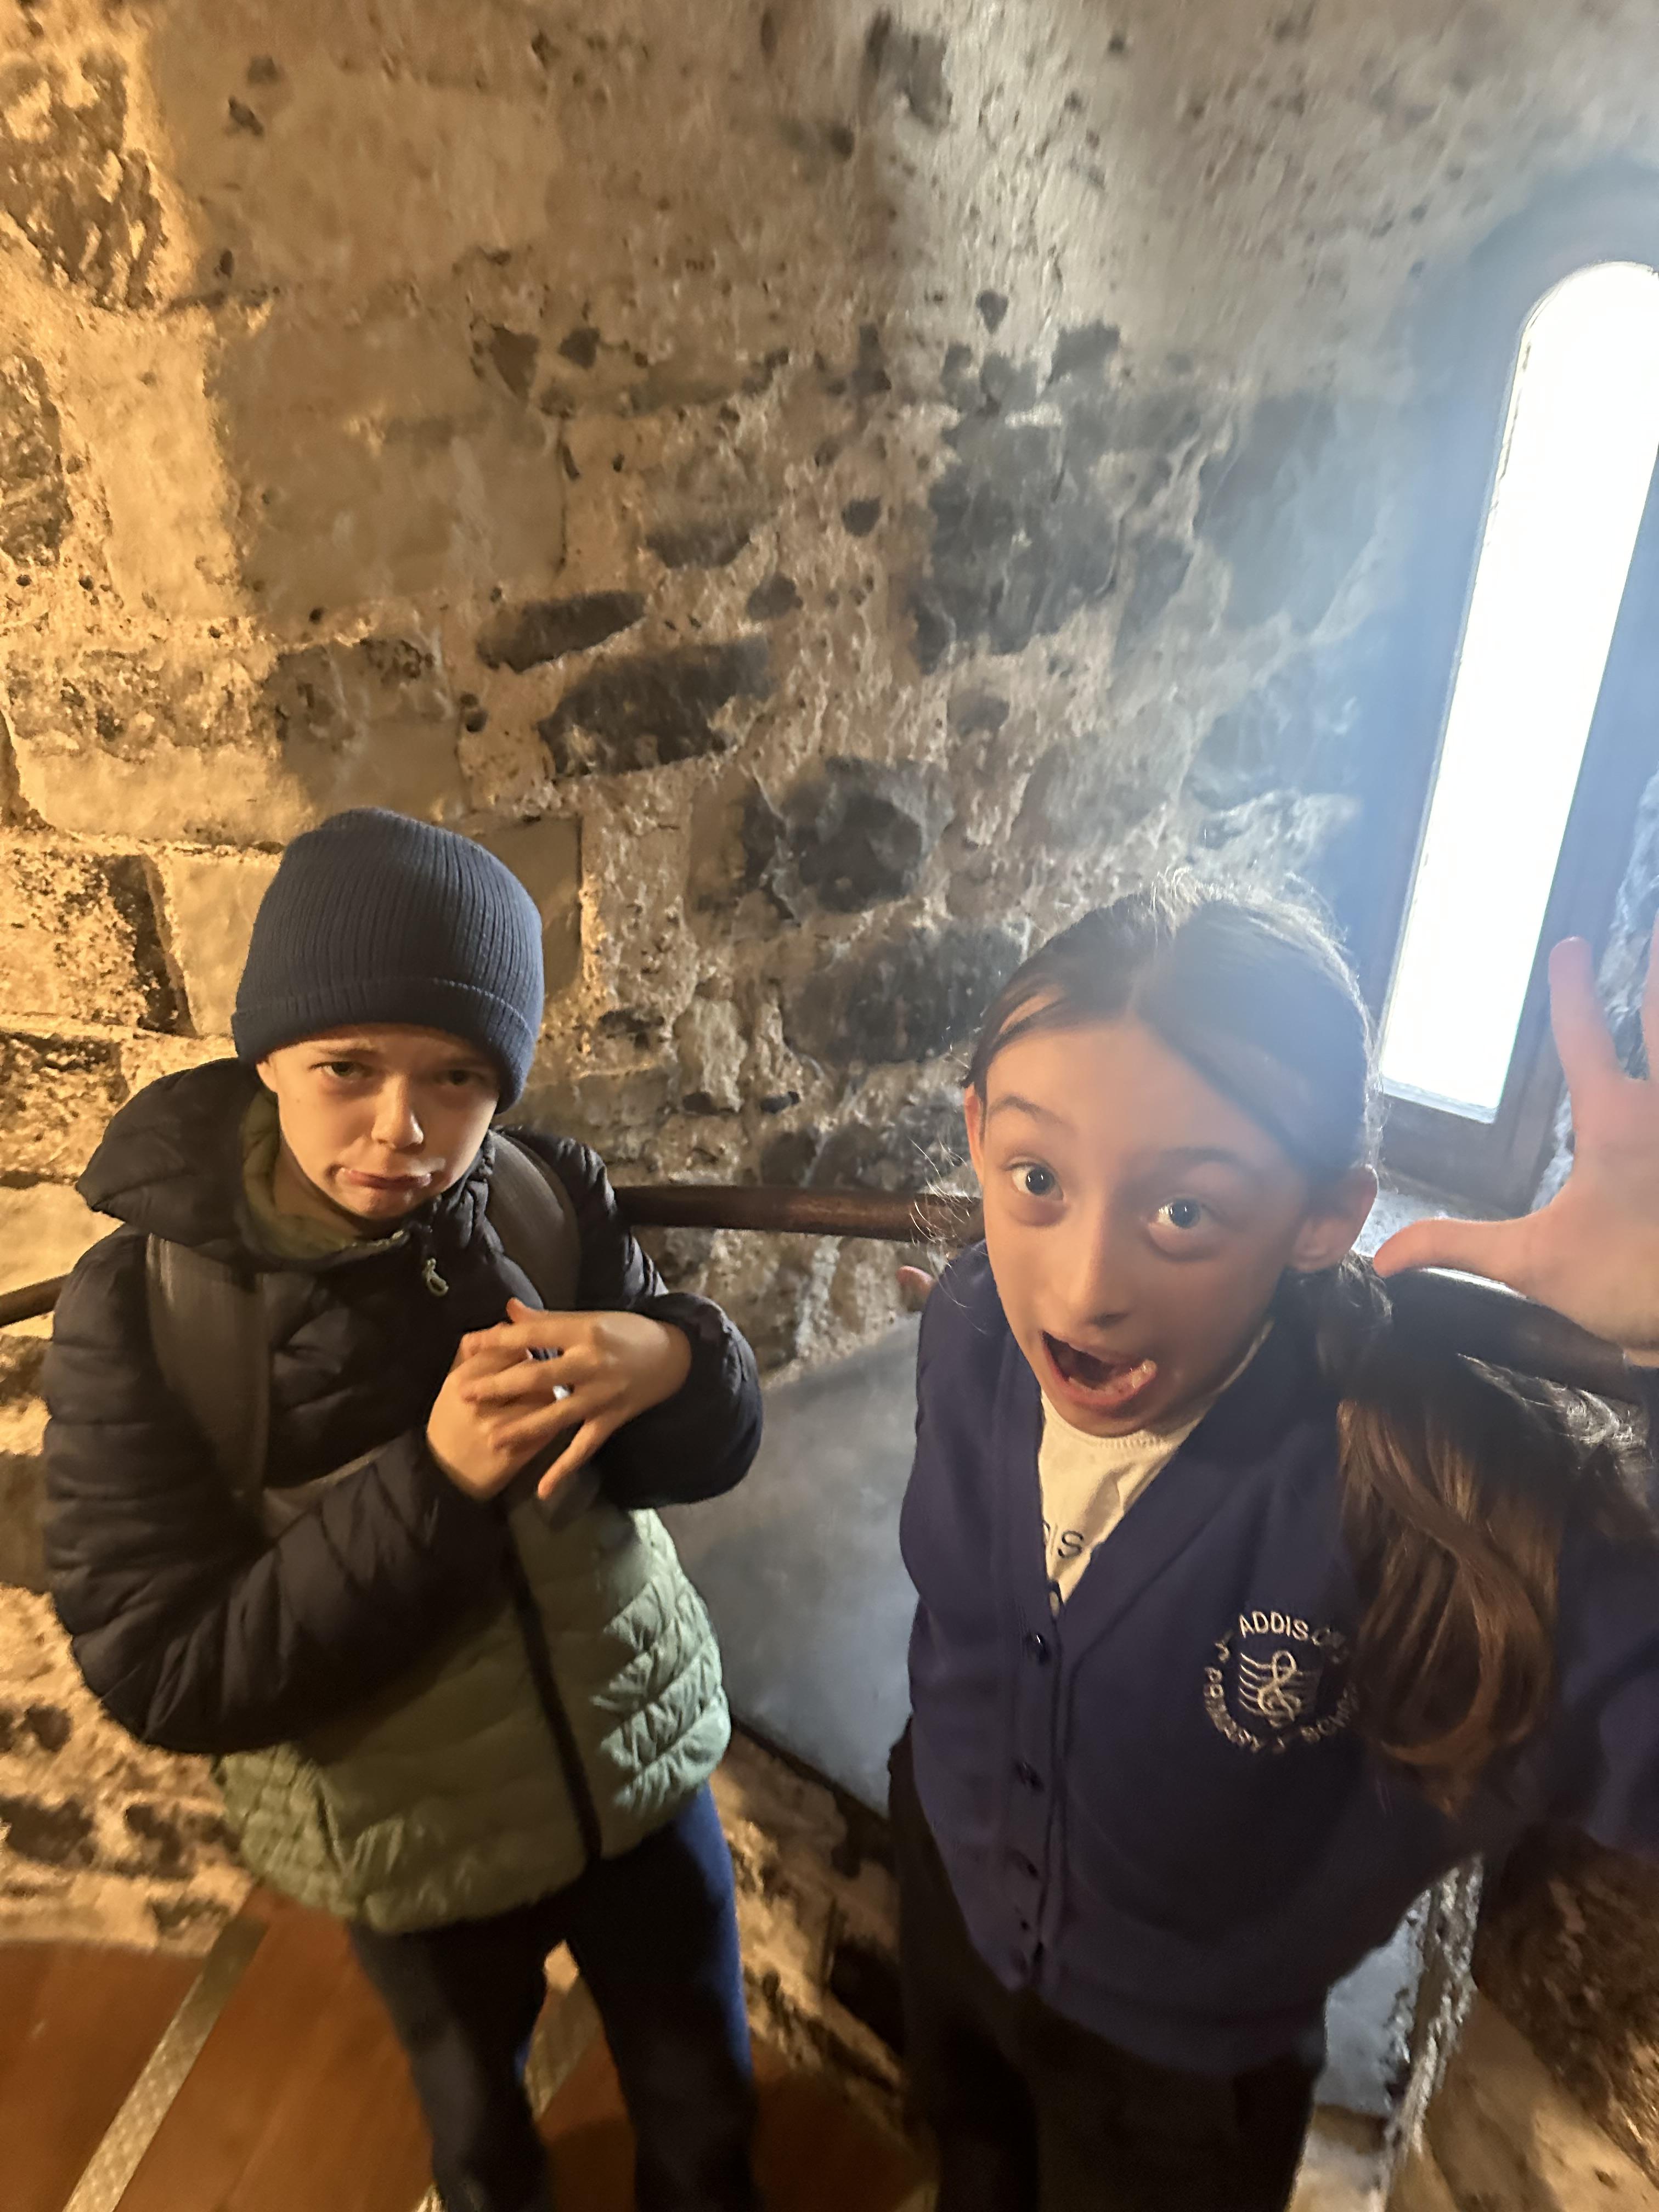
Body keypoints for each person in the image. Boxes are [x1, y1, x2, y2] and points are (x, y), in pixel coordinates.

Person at [891, 874, 1659, 2212]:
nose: (1083, 1289)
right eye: (1038, 1178)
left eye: (1185, 1211)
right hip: (948, 1903)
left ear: (1322, 1217)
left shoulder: (1420, 1495)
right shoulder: (969, 1331)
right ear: (977, 1136)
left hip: (1184, 2080)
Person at [42, 808, 765, 2212]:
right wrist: (434, 1486)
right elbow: (164, 1664)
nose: (403, 1129)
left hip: (636, 1765)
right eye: (347, 1067)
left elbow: (699, 1454)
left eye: (457, 1076)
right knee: (482, 2139)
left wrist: (677, 1357)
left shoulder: (543, 1198)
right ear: (268, 1056)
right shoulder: (153, 1311)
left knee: (704, 2099)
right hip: (414, 1839)